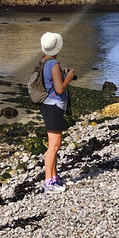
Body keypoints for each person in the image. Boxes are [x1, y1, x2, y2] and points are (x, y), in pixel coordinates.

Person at [37, 31, 75, 193]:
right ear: (57, 47)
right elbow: (60, 88)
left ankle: (54, 177)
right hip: (53, 106)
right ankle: (48, 182)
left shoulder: (44, 61)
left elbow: (52, 82)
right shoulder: (54, 64)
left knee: (54, 145)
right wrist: (69, 77)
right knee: (54, 145)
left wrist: (62, 76)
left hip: (48, 105)